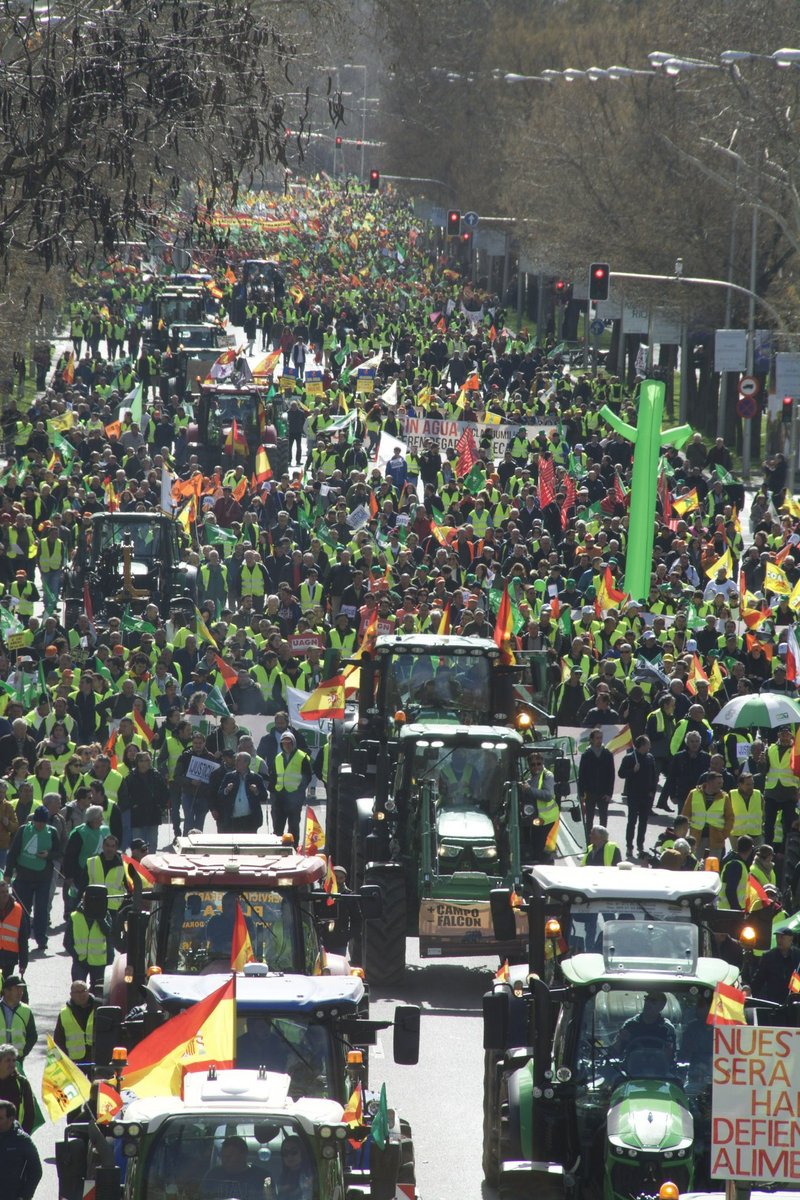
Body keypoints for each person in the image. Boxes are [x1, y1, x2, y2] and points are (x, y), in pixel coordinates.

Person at [4, 806, 59, 952]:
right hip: (23, 877)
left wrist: (48, 854)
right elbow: (13, 852)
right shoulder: (23, 830)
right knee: (23, 910)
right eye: (37, 822)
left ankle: (41, 939)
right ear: (33, 820)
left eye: (42, 822)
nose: (39, 825)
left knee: (41, 910)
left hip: (43, 878)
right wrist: (8, 874)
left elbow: (59, 852)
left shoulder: (52, 832)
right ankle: (23, 938)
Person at [65, 884, 112, 994]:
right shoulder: (75, 916)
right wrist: (77, 956)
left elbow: (109, 933)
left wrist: (99, 918)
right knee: (78, 992)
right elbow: (67, 942)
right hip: (80, 962)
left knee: (98, 994)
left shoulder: (104, 914)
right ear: (83, 900)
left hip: (99, 963)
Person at [618, 734, 657, 860]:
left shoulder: (650, 758)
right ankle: (629, 845)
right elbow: (621, 773)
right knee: (632, 821)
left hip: (646, 796)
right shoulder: (630, 758)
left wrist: (652, 791)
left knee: (643, 822)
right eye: (647, 744)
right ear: (641, 745)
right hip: (633, 795)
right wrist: (632, 771)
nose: (649, 746)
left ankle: (640, 844)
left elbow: (654, 776)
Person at [269, 733, 311, 846]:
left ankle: (293, 847)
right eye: (284, 743)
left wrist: (299, 790)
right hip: (280, 797)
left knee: (293, 826)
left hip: (295, 797)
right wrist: (272, 791)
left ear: (294, 743)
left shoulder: (302, 756)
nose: (287, 745)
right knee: (278, 826)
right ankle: (277, 847)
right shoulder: (278, 757)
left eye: (289, 743)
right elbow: (273, 775)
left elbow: (307, 776)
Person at [518, 748, 559, 862]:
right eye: (533, 765)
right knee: (530, 842)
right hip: (534, 817)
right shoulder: (529, 777)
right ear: (529, 766)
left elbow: (547, 795)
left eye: (538, 764)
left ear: (542, 763)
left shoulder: (547, 775)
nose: (536, 767)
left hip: (546, 818)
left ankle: (540, 865)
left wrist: (528, 789)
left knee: (538, 846)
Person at [214, 752, 268, 834]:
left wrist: (256, 791)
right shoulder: (229, 776)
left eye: (238, 761)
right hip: (232, 820)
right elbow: (220, 795)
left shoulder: (256, 778)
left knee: (248, 845)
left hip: (250, 820)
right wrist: (226, 790)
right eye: (236, 760)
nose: (236, 763)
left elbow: (264, 796)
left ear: (246, 763)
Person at [614, 991, 677, 1060]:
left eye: (653, 1001)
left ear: (661, 1006)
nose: (648, 1003)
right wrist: (620, 1040)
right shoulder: (630, 1025)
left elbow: (671, 1057)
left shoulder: (667, 1028)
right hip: (632, 1067)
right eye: (647, 999)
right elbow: (615, 1052)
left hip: (658, 1068)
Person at [201, 1133, 263, 1200]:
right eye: (223, 1156)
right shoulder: (213, 1175)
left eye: (229, 1156)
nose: (225, 1159)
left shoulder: (261, 1177)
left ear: (243, 1155)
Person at [53, 980, 96, 1068]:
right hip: (75, 1062)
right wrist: (62, 1061)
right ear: (71, 994)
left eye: (83, 991)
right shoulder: (64, 1013)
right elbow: (58, 1040)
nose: (81, 995)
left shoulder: (98, 1008)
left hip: (95, 1059)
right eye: (77, 992)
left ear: (88, 991)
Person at [0, 1095, 41, 1186]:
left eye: (0, 1118)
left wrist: (24, 1196)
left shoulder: (22, 1141)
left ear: (11, 1119)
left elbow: (36, 1171)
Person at [751, 929, 800, 1005]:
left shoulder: (798, 956)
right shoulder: (768, 956)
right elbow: (758, 980)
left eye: (782, 938)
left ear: (790, 939)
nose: (779, 940)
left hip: (793, 1003)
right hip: (773, 1002)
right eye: (777, 937)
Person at [578, 729, 614, 828]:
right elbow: (582, 775)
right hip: (590, 792)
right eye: (597, 738)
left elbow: (611, 775)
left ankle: (603, 840)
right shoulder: (586, 755)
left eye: (601, 738)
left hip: (603, 792)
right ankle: (589, 840)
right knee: (589, 819)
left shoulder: (607, 754)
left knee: (603, 818)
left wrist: (609, 793)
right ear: (592, 739)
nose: (599, 740)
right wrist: (581, 793)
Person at [0, 977, 36, 1063]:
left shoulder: (26, 1010)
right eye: (17, 989)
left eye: (21, 989)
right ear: (6, 991)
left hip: (16, 1059)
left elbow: (33, 1036)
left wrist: (23, 1053)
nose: (20, 992)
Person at [0, 879, 29, 980]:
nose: (5, 894)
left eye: (7, 891)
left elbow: (23, 938)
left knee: (7, 988)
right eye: (2, 892)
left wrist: (23, 962)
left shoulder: (17, 909)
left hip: (9, 956)